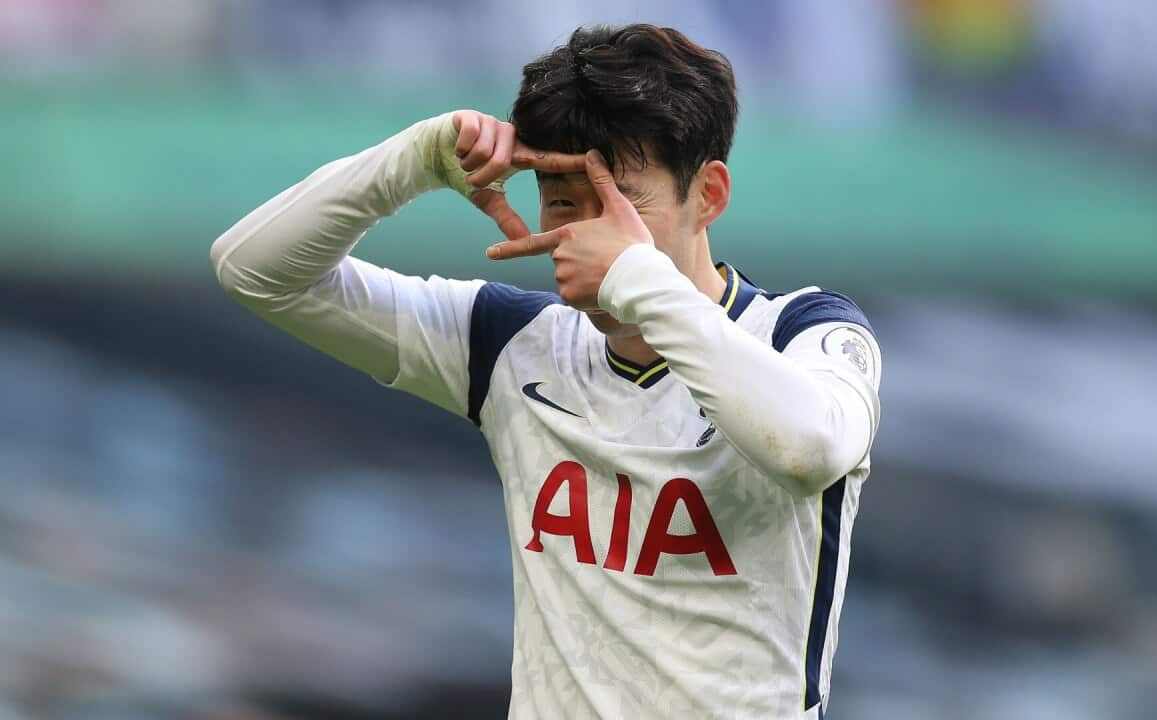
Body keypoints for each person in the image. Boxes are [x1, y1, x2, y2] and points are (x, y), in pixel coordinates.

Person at [211, 23, 881, 720]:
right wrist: (410, 163)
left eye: (622, 202)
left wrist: (636, 278)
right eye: (563, 201)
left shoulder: (805, 334)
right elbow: (256, 272)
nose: (586, 233)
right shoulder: (512, 344)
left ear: (707, 194)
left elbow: (810, 450)